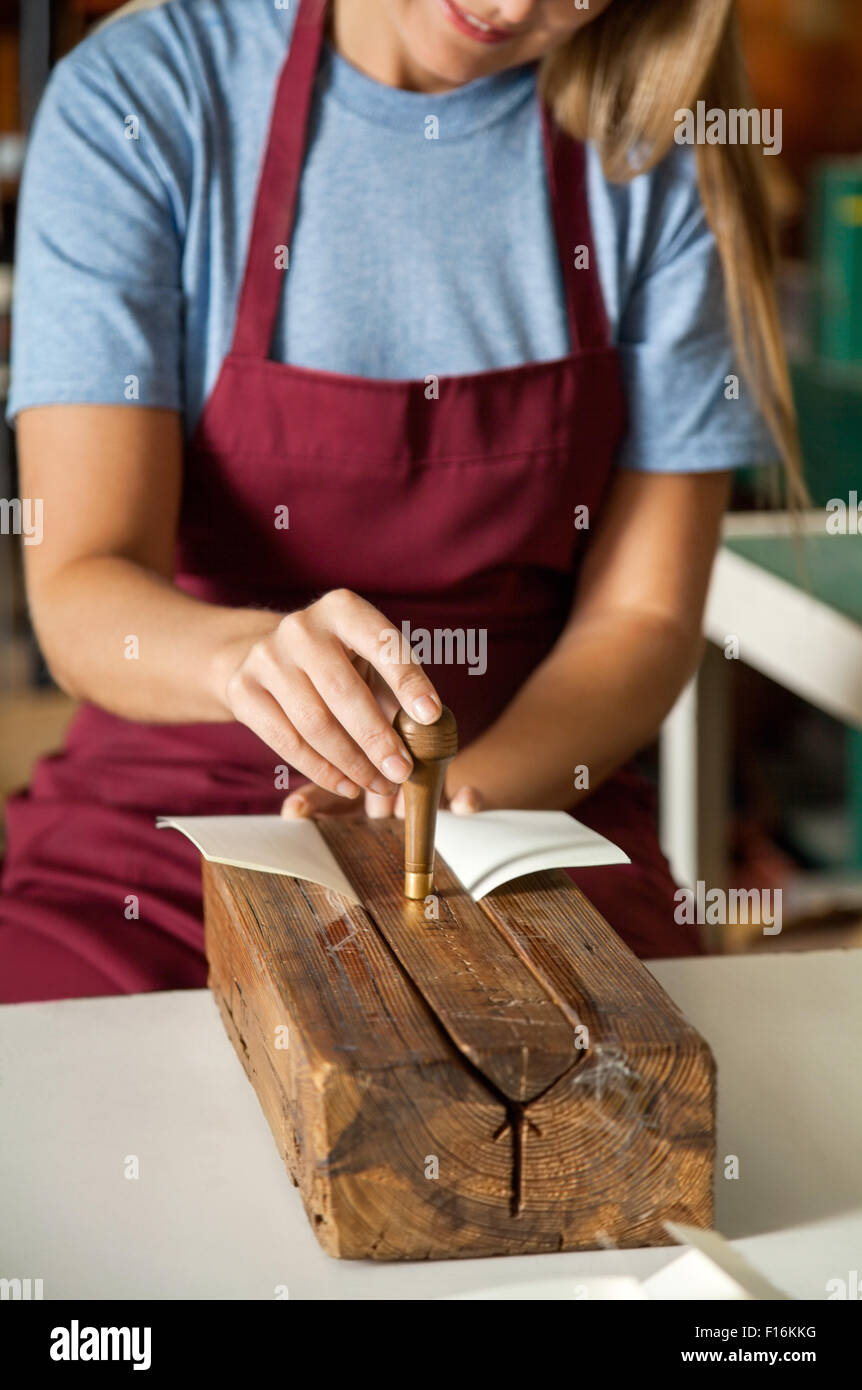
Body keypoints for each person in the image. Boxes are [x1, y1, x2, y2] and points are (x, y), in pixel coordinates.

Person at [0, 0, 802, 1001]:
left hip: (526, 799)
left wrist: (440, 800)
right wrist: (248, 661)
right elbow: (82, 588)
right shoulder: (141, 99)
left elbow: (640, 617)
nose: (509, 7)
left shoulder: (659, 147)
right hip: (167, 805)